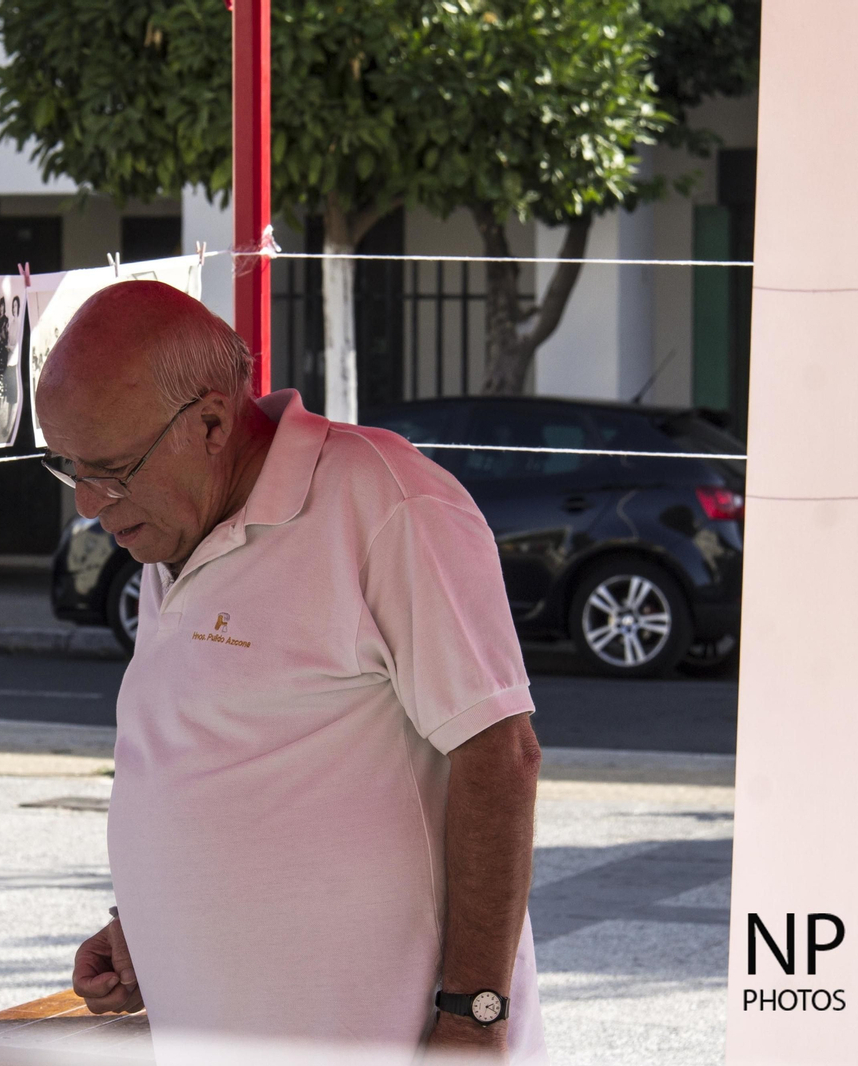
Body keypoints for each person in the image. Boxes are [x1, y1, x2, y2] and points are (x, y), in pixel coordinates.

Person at [36, 281, 544, 1064]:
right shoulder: (173, 529)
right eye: (70, 471)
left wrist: (473, 1021)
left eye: (111, 470)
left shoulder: (387, 502)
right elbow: (223, 760)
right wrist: (146, 927)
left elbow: (500, 756)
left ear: (208, 422)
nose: (91, 507)